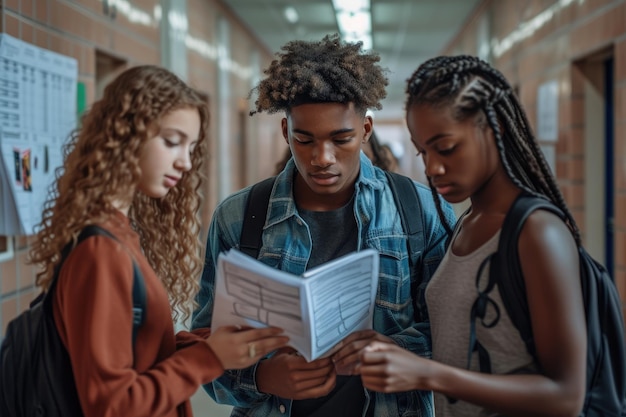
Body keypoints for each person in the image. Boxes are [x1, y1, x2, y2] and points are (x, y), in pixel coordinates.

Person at [192, 34, 456, 417]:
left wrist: (393, 352)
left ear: (366, 130)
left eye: (341, 139)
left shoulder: (420, 209)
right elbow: (204, 348)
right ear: (286, 132)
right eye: (305, 140)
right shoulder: (239, 217)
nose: (322, 158)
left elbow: (457, 335)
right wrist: (262, 377)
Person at [28, 65, 289, 417]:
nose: (184, 163)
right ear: (125, 134)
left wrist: (205, 343)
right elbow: (112, 405)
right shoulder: (100, 251)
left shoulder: (121, 233)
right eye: (171, 141)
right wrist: (209, 358)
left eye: (191, 146)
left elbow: (136, 354)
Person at [358, 55, 587, 416]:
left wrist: (428, 374)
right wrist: (393, 349)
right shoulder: (465, 223)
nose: (432, 167)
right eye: (423, 151)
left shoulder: (536, 232)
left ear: (493, 129)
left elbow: (566, 396)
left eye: (446, 148)